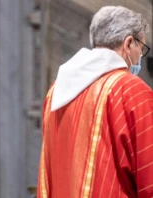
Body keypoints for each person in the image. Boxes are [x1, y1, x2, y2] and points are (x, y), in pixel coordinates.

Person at [37, 6, 153, 198]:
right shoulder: (131, 91)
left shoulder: (56, 92)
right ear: (128, 43)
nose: (140, 56)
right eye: (141, 48)